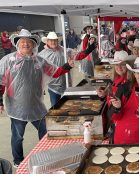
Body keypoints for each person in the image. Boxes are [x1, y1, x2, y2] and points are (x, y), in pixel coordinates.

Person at [0, 29, 74, 167]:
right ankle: (18, 161)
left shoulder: (40, 61)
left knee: (45, 131)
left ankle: (46, 154)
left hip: (36, 106)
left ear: (34, 44)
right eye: (22, 42)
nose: (26, 44)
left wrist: (67, 66)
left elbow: (55, 72)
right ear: (17, 44)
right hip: (17, 107)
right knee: (17, 137)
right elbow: (0, 81)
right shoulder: (8, 60)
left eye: (28, 42)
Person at [39, 31, 97, 106]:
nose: (53, 42)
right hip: (53, 87)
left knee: (67, 105)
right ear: (47, 41)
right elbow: (40, 72)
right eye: (51, 40)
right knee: (55, 107)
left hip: (66, 84)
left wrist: (89, 49)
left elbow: (78, 56)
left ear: (57, 41)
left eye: (55, 40)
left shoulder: (64, 50)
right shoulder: (42, 54)